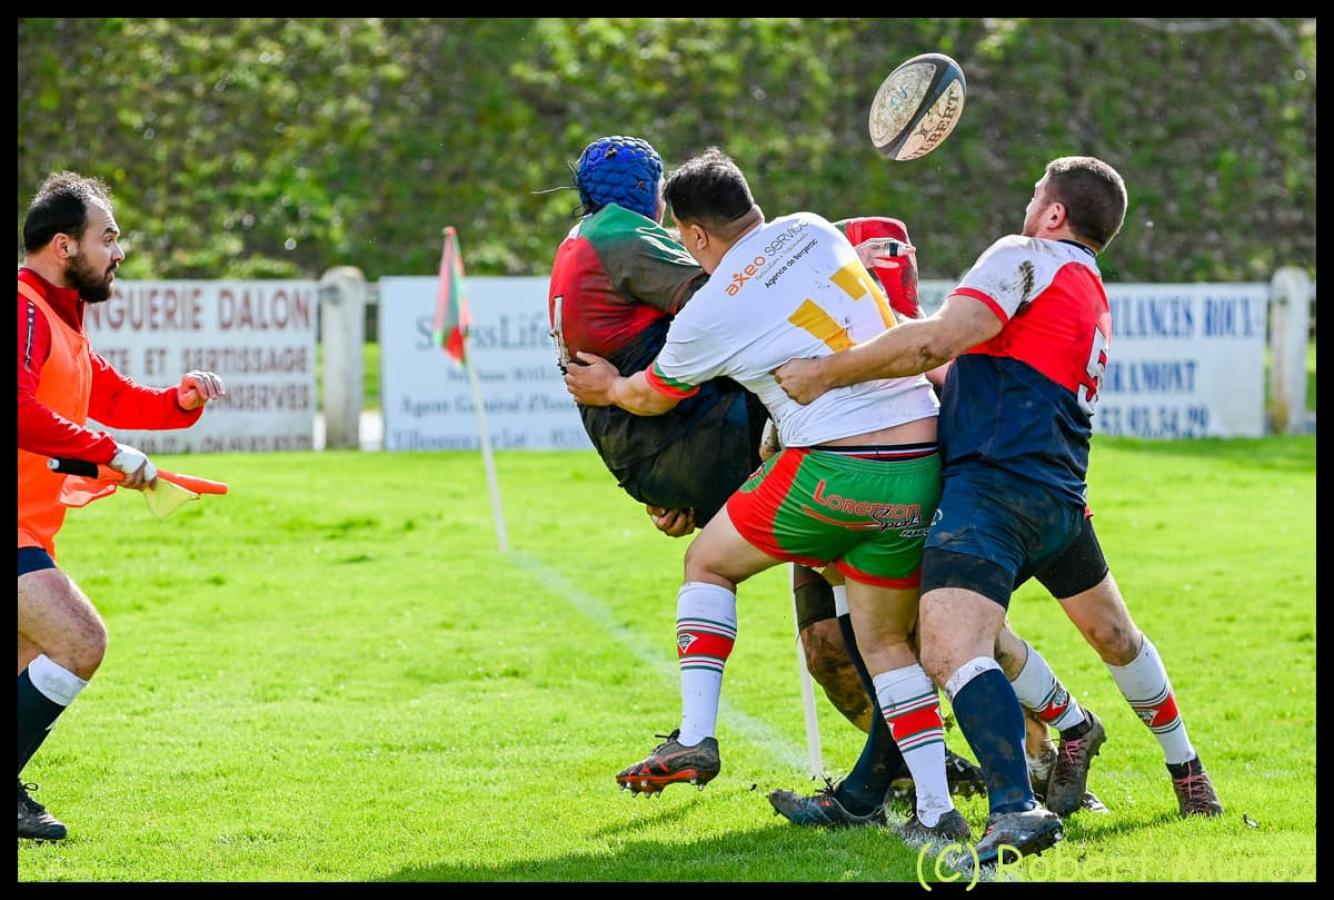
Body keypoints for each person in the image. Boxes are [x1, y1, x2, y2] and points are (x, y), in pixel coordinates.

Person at [775, 156, 1220, 867]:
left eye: (1033, 192)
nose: (1026, 202)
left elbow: (935, 342)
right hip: (1058, 496)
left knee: (945, 648)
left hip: (992, 491)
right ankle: (1188, 775)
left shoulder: (1023, 255)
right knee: (1114, 636)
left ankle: (1016, 805)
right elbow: (959, 369)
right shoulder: (1087, 286)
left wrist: (824, 371)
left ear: (1052, 215)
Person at [549, 135, 988, 803]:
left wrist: (611, 390)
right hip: (919, 457)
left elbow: (648, 394)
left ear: (693, 232)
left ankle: (697, 733)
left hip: (834, 468)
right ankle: (945, 805)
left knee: (707, 564)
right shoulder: (813, 228)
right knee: (885, 642)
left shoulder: (713, 306)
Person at [17, 172, 226, 840]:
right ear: (63, 246)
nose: (119, 250)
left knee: (34, 661)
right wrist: (113, 455)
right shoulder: (22, 308)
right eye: (107, 237)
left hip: (32, 528)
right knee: (80, 643)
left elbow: (113, 399)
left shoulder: (61, 325)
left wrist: (180, 401)